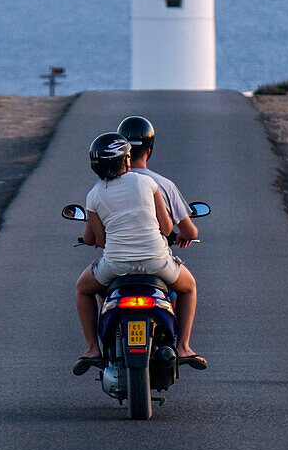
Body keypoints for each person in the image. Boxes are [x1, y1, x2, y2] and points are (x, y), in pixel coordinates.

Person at [73, 131, 206, 375]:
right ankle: (185, 347)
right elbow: (166, 228)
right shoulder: (146, 183)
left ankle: (92, 349)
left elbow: (98, 240)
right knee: (189, 287)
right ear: (125, 159)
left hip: (116, 266)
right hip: (157, 262)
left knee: (83, 288)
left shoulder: (93, 195)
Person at [116, 115, 198, 249]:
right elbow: (189, 232)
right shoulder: (164, 185)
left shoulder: (105, 185)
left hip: (116, 260)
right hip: (157, 259)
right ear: (149, 150)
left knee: (90, 271)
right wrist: (186, 234)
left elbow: (96, 237)